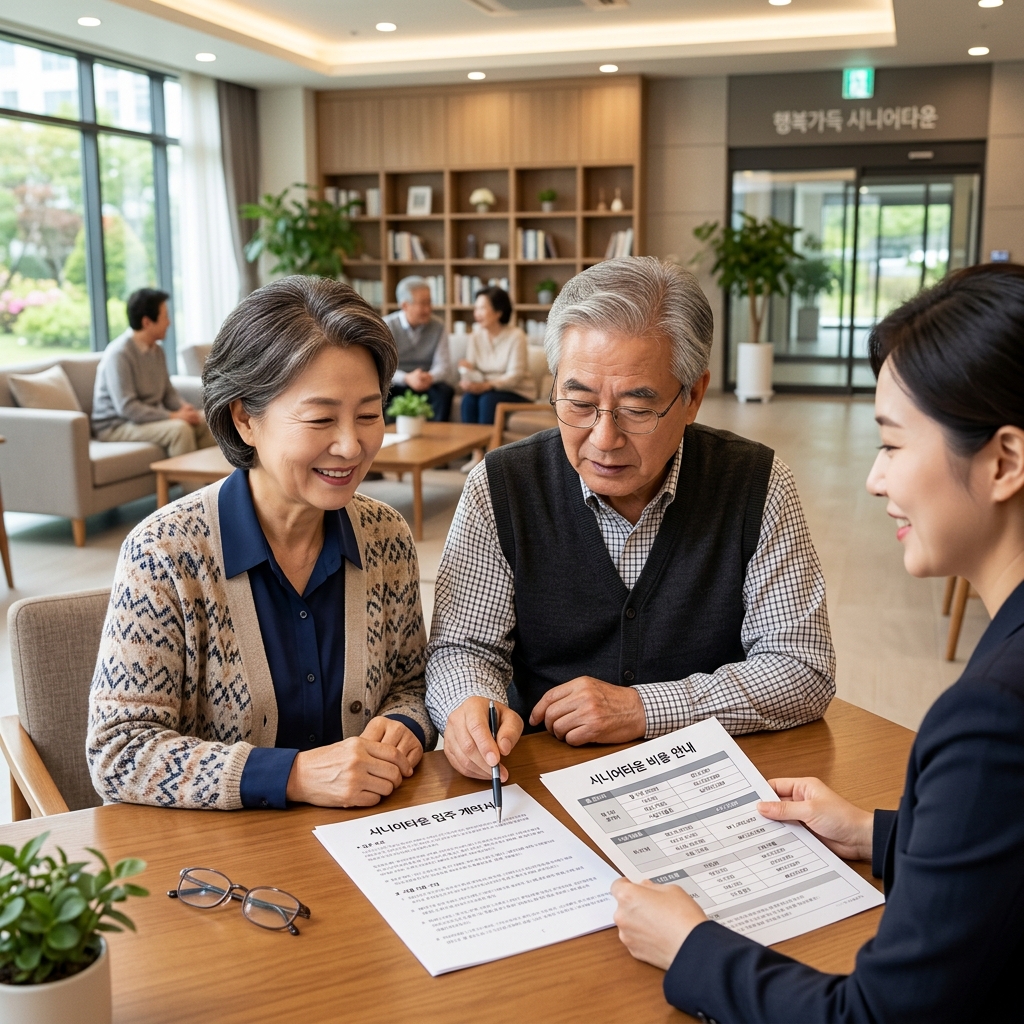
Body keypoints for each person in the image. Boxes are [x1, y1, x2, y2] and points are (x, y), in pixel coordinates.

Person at [611, 262, 1024, 1023]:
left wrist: (691, 945)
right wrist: (876, 834)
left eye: (895, 446)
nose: (873, 479)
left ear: (1003, 462)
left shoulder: (991, 713)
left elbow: (874, 1017)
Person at [426, 256, 835, 787]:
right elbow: (465, 647)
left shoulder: (755, 484)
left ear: (693, 396)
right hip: (544, 779)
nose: (603, 438)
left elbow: (802, 666)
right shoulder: (501, 486)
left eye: (637, 410)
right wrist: (469, 709)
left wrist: (644, 708)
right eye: (577, 402)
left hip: (707, 777)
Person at [87, 276, 435, 811]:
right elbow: (119, 752)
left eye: (369, 414)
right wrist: (292, 775)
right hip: (228, 872)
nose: (351, 444)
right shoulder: (165, 554)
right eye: (321, 418)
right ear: (244, 417)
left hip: (371, 839)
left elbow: (411, 681)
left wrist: (403, 723)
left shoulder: (386, 536)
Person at [92, 287, 215, 457]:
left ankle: (212, 481)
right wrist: (173, 416)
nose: (169, 323)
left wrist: (184, 408)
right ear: (147, 322)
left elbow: (167, 392)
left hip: (144, 420)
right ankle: (195, 484)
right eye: (165, 317)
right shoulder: (119, 354)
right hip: (116, 426)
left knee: (207, 421)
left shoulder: (157, 351)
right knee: (180, 429)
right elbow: (127, 408)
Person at [458, 286, 535, 427]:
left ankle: (489, 448)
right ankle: (472, 449)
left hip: (516, 391)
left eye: (482, 308)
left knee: (488, 400)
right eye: (476, 309)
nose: (477, 314)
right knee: (468, 399)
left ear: (498, 312)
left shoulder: (516, 336)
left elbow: (515, 376)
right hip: (486, 389)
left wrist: (487, 385)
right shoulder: (475, 336)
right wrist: (467, 374)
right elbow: (474, 371)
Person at [383, 275, 454, 424]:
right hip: (397, 383)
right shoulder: (387, 326)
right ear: (405, 305)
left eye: (429, 303)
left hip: (426, 382)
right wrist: (407, 378)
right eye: (422, 304)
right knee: (379, 390)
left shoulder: (438, 326)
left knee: (444, 392)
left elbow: (444, 365)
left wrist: (430, 377)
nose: (428, 309)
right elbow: (382, 367)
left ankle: (437, 439)